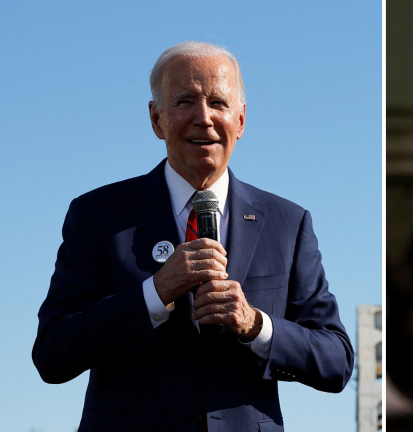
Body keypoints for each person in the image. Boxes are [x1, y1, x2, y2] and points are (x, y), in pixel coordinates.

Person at [33, 42, 353, 431]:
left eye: (218, 102)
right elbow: (53, 353)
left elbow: (336, 360)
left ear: (241, 120)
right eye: (185, 101)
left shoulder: (288, 223)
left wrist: (255, 324)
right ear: (156, 119)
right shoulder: (98, 215)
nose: (203, 118)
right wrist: (155, 292)